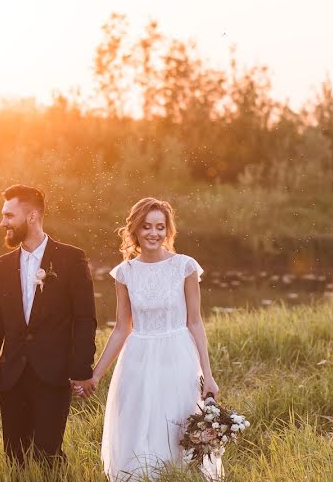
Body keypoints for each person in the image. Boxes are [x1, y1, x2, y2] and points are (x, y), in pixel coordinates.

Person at [85, 197, 222, 480]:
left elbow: (195, 322)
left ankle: (179, 476)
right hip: (138, 358)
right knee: (139, 424)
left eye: (160, 227)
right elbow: (122, 328)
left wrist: (208, 376)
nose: (153, 233)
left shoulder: (185, 267)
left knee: (176, 423)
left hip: (177, 355)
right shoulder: (125, 273)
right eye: (146, 226)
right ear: (134, 229)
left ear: (168, 231)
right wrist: (96, 375)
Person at [0, 184, 97, 467]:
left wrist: (80, 370)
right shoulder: (0, 267)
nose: (2, 222)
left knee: (48, 456)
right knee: (15, 459)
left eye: (8, 215)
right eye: (3, 216)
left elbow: (85, 319)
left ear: (31, 217)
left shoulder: (71, 259)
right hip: (12, 377)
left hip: (53, 375)